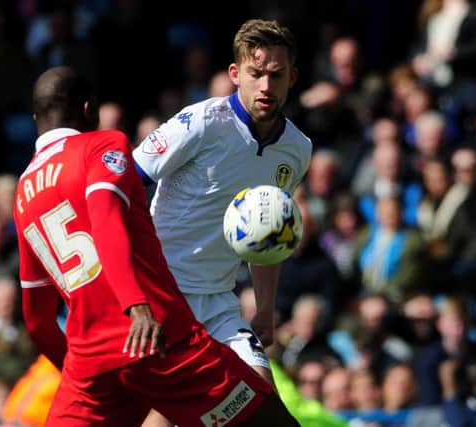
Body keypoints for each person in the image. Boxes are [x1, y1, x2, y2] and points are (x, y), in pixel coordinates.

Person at [13, 65, 299, 426]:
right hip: (157, 338)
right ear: (89, 110)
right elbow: (106, 220)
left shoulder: (23, 191)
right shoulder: (103, 144)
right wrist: (137, 306)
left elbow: (38, 321)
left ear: (37, 117)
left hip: (88, 364)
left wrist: (81, 368)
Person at [133, 18, 311, 426]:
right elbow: (127, 183)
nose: (266, 86)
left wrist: (264, 308)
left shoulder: (297, 150)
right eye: (256, 73)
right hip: (164, 297)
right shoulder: (200, 122)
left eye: (276, 75)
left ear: (292, 78)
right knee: (174, 414)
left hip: (218, 304)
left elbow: (269, 239)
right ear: (236, 74)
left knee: (263, 407)